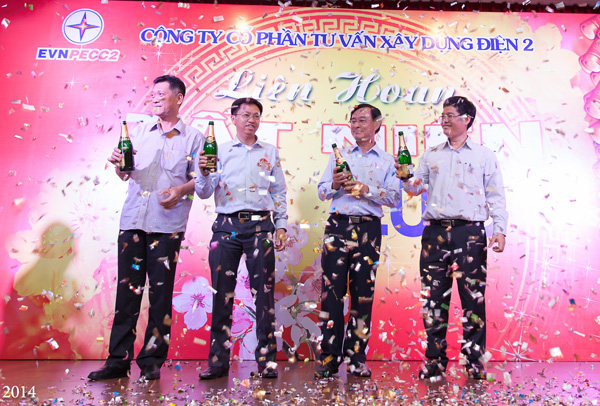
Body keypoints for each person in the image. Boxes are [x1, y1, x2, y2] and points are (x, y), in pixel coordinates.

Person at [88, 76, 203, 381]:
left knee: (160, 296)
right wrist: (118, 163)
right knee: (127, 293)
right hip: (133, 223)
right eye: (152, 94)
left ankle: (151, 360)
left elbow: (202, 181)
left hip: (167, 227)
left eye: (161, 94)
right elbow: (125, 174)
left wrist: (180, 190)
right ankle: (117, 360)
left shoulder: (194, 138)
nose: (155, 98)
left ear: (178, 98)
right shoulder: (137, 132)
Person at [397, 96, 507, 380]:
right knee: (433, 299)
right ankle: (434, 360)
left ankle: (474, 361)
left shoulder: (484, 155)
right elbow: (414, 188)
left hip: (470, 233)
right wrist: (405, 176)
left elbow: (496, 195)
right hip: (435, 233)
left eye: (449, 115)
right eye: (442, 116)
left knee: (473, 299)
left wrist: (500, 229)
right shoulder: (432, 154)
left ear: (466, 119)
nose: (443, 120)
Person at [195, 97, 288, 380]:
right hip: (226, 227)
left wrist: (281, 226)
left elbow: (279, 192)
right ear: (233, 118)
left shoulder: (270, 152)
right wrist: (203, 171)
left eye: (256, 115)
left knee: (264, 296)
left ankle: (267, 362)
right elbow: (203, 191)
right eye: (246, 115)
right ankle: (218, 362)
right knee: (221, 294)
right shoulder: (219, 151)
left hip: (261, 227)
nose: (251, 120)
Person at [315, 104, 402, 378]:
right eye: (353, 121)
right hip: (337, 225)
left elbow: (394, 198)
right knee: (331, 294)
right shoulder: (339, 155)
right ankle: (330, 357)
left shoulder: (388, 161)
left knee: (362, 295)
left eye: (362, 120)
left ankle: (356, 359)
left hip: (368, 229)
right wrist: (335, 185)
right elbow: (321, 192)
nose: (356, 125)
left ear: (377, 124)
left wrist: (367, 190)